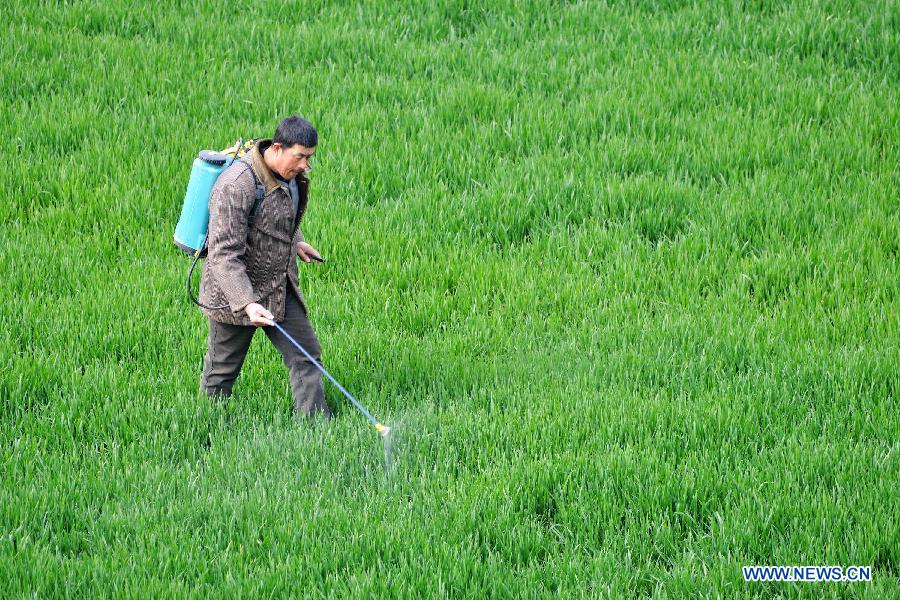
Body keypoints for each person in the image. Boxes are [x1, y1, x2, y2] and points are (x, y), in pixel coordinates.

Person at [198, 115, 331, 419]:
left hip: (277, 286)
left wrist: (295, 241)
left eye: (310, 158)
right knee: (221, 372)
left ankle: (318, 430)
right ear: (278, 147)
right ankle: (206, 428)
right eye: (300, 156)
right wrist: (246, 303)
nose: (305, 166)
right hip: (232, 293)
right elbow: (222, 254)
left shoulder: (291, 176)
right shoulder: (236, 186)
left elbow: (278, 214)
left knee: (307, 356)